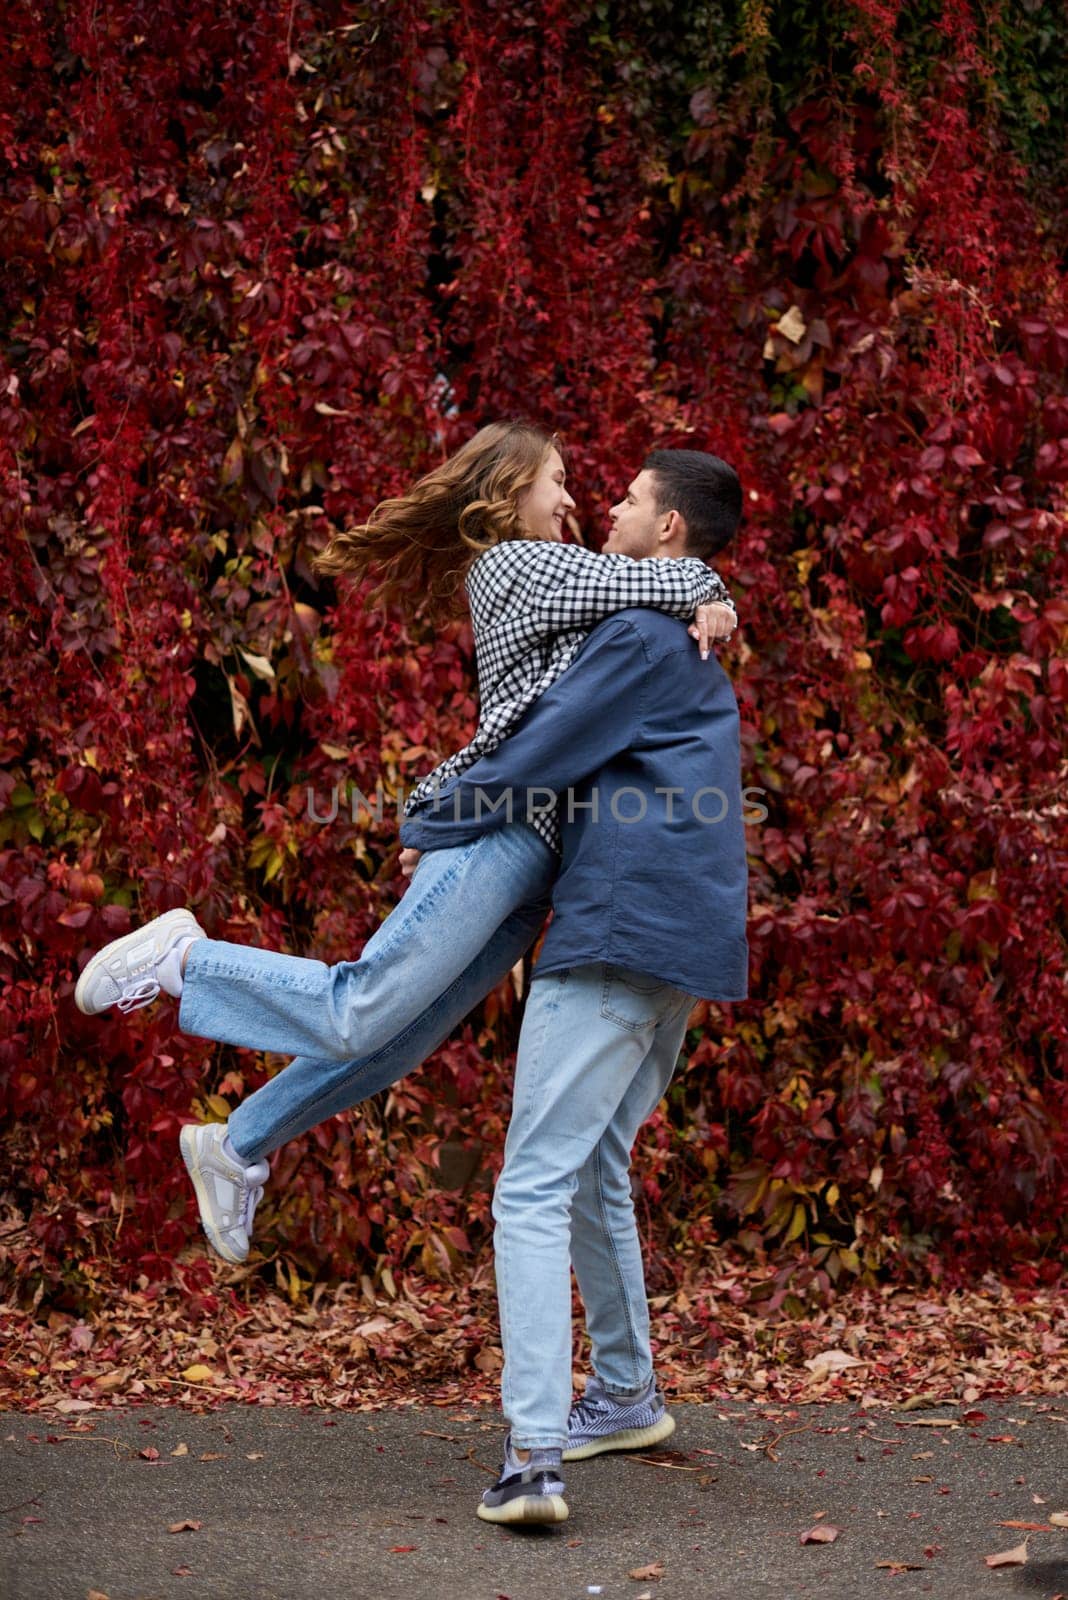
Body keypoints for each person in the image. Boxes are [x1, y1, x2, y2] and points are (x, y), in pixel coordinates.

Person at [75, 425, 738, 1270]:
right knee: (363, 1004)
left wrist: (703, 597)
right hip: (499, 834)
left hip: (531, 863)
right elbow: (660, 577)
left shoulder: (579, 588)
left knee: (396, 1043)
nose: (578, 498)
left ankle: (237, 1145)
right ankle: (183, 959)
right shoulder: (517, 566)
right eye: (559, 480)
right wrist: (709, 588)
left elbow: (631, 628)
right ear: (508, 494)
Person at [398, 450, 750, 1525]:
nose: (612, 503)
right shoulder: (686, 634)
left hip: (617, 924)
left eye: (635, 498)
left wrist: (429, 824)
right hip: (686, 937)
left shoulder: (639, 634)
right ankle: (629, 1394)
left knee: (530, 1184)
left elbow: (540, 750)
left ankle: (534, 1458)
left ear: (671, 533)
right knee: (594, 1156)